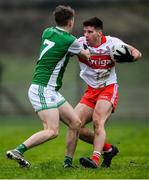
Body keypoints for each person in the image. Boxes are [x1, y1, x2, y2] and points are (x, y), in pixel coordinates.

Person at [6, 5, 90, 168]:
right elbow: (86, 55)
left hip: (49, 90)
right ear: (71, 22)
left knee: (75, 122)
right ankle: (18, 150)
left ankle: (67, 164)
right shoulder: (70, 41)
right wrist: (84, 44)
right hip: (42, 89)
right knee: (52, 131)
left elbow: (62, 49)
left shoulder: (48, 31)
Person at [73, 17, 142, 168]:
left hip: (108, 88)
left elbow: (137, 53)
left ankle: (95, 160)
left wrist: (130, 57)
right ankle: (108, 149)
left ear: (99, 32)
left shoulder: (113, 43)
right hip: (91, 90)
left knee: (98, 121)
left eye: (90, 32)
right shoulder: (80, 43)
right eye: (84, 31)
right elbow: (63, 48)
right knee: (75, 125)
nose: (86, 34)